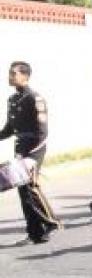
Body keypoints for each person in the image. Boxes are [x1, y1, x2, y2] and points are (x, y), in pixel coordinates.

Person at [0, 61, 62, 244]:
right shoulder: (13, 100)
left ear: (25, 76)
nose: (10, 76)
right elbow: (10, 129)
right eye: (10, 73)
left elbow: (42, 132)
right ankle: (39, 230)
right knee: (25, 190)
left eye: (14, 73)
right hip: (20, 149)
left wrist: (32, 158)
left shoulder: (35, 98)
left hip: (34, 150)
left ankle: (46, 224)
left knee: (29, 189)